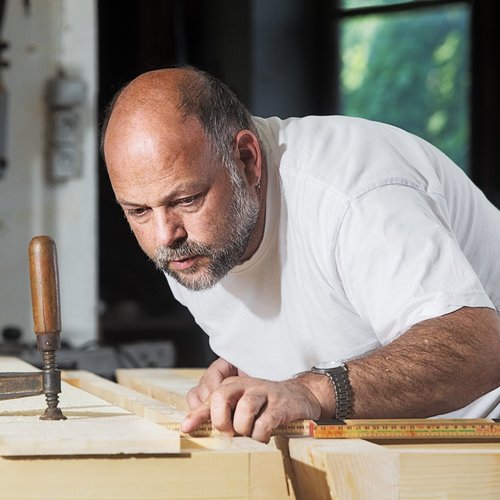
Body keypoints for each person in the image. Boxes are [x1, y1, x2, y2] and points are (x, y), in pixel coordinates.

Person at [102, 66, 500, 443]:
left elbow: (481, 349)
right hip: (379, 443)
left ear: (246, 160)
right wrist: (251, 372)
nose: (164, 236)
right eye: (137, 211)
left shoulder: (351, 194)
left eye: (187, 200)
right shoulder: (190, 242)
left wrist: (312, 390)